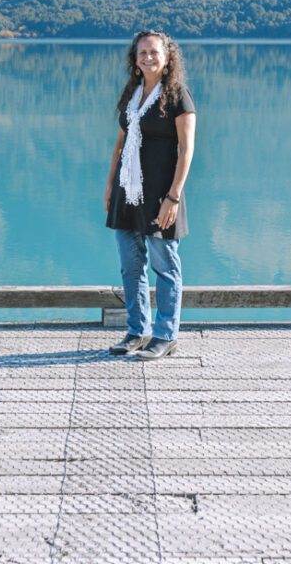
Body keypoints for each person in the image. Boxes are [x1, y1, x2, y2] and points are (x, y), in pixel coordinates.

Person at [104, 29, 196, 359]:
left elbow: (186, 150)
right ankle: (137, 331)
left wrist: (173, 197)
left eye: (154, 52)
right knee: (131, 267)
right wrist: (110, 185)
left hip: (160, 195)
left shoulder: (177, 96)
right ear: (135, 58)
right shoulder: (133, 93)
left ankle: (166, 335)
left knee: (165, 266)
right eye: (142, 52)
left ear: (168, 57)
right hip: (127, 193)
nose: (148, 57)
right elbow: (119, 143)